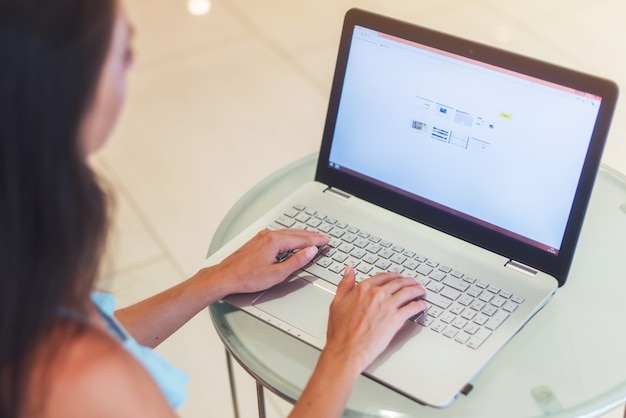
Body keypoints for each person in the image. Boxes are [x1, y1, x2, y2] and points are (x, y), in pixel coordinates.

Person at [0, 0, 428, 416]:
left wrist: (212, 281)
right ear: (68, 85)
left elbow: (97, 333)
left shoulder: (22, 281)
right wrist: (345, 352)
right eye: (124, 53)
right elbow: (86, 356)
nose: (131, 69)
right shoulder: (80, 384)